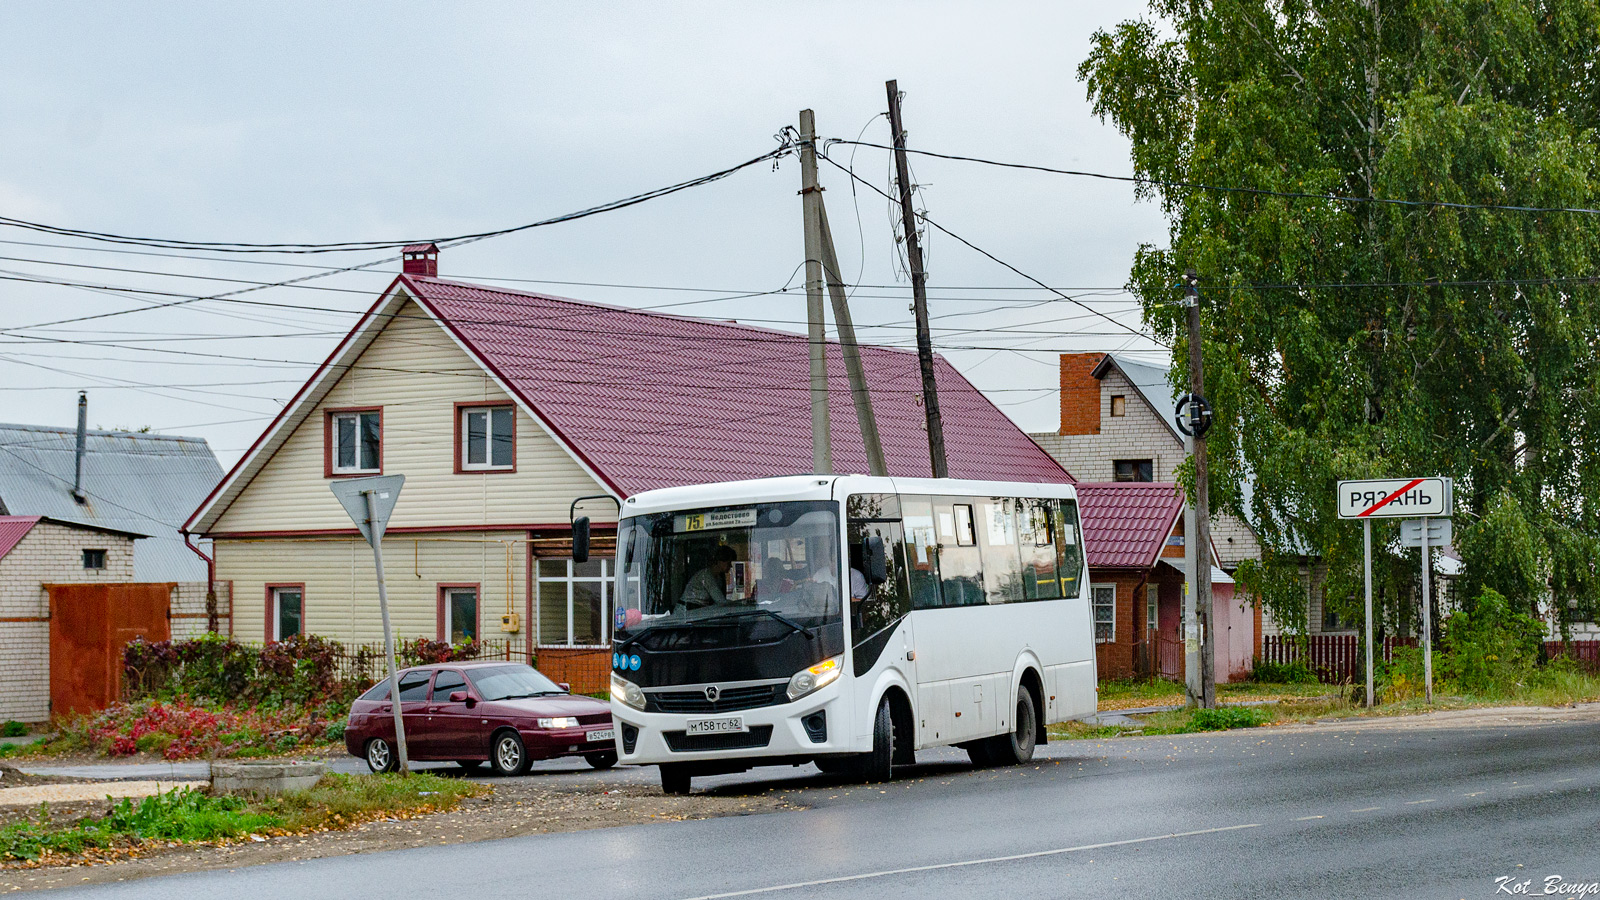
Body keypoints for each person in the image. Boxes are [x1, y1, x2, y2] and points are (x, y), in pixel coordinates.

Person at [679, 545, 736, 610]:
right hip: (686, 612)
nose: (730, 566)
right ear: (720, 561)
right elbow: (720, 601)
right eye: (728, 563)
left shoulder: (718, 579)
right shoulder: (706, 576)